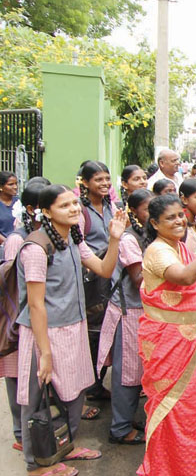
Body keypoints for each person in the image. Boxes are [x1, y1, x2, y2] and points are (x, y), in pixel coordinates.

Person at [17, 185, 125, 476]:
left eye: (75, 204)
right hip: (45, 333)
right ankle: (36, 465)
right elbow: (37, 306)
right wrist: (45, 353)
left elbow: (103, 269)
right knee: (39, 399)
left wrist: (114, 238)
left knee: (73, 392)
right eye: (65, 206)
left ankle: (66, 446)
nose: (74, 209)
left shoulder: (74, 241)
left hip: (73, 327)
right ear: (47, 211)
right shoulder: (36, 248)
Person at [137, 194, 196, 476]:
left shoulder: (178, 246)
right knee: (175, 408)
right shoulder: (158, 251)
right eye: (170, 218)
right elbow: (186, 278)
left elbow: (185, 294)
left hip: (192, 341)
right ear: (154, 223)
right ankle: (170, 468)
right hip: (169, 342)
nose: (179, 221)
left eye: (180, 215)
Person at [96, 189, 153, 446]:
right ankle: (119, 429)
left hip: (142, 311)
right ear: (134, 212)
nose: (153, 213)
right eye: (148, 209)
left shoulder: (146, 235)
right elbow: (138, 278)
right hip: (129, 311)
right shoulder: (130, 239)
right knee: (126, 372)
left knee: (138, 371)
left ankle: (127, 419)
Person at [1, 182, 46, 453]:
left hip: (33, 317)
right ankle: (20, 432)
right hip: (18, 318)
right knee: (17, 376)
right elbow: (11, 283)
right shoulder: (19, 239)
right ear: (32, 209)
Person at [78, 161, 118, 403]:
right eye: (98, 180)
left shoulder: (110, 206)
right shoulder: (81, 211)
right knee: (93, 334)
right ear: (85, 183)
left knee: (106, 331)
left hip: (110, 278)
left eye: (106, 179)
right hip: (91, 282)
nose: (104, 184)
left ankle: (98, 381)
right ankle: (90, 386)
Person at [0, 171, 19, 243]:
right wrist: (8, 243)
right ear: (1, 187)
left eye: (16, 184)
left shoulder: (19, 202)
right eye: (11, 184)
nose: (15, 187)